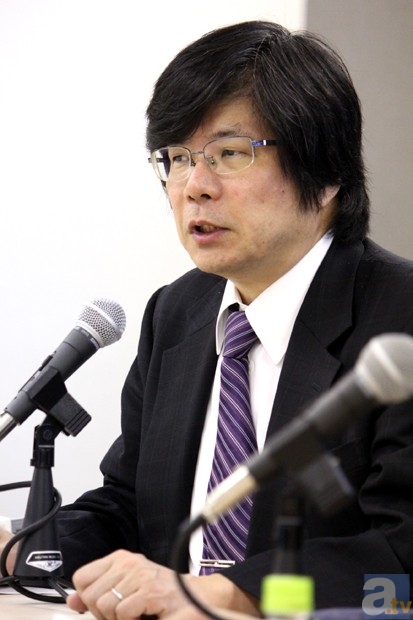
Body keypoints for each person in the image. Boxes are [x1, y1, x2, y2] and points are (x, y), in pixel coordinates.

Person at [2, 19, 413, 620]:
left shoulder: (399, 322)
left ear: (326, 173)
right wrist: (16, 548)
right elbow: (129, 507)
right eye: (176, 158)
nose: (193, 186)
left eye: (229, 154)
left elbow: (397, 568)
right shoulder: (177, 313)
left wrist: (224, 594)